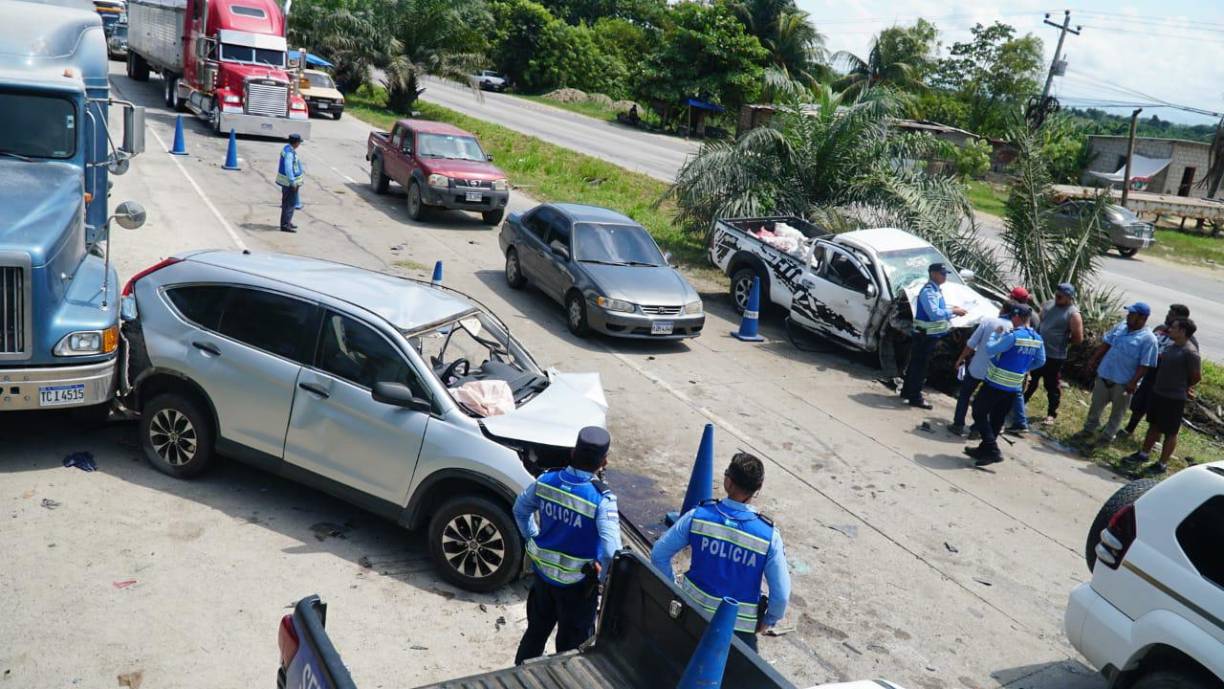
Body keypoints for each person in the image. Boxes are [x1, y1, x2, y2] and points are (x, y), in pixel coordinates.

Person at [650, 452, 790, 652]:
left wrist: (674, 590)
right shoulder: (769, 536)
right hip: (738, 632)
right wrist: (769, 620)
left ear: (727, 481)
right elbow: (782, 595)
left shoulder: (698, 516)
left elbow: (659, 554)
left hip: (692, 615)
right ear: (758, 488)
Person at [513, 427, 622, 665]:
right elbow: (612, 551)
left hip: (543, 579)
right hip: (578, 589)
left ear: (573, 453)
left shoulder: (546, 481)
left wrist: (532, 539)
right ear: (603, 462)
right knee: (571, 652)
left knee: (534, 635)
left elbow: (520, 509)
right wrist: (603, 579)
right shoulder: (602, 500)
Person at [964, 304, 1044, 467]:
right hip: (1014, 386)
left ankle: (992, 450)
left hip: (996, 382)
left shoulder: (1013, 336)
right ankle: (984, 450)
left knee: (978, 411)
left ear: (1016, 317)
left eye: (1012, 318)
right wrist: (1023, 369)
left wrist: (995, 334)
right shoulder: (1037, 339)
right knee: (997, 418)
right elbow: (1041, 361)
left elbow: (990, 349)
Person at [1122, 319, 1201, 476]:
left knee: (1170, 432)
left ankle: (1162, 464)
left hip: (1174, 398)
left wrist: (1183, 386)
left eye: (1174, 327)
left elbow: (1196, 377)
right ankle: (1144, 454)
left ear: (1183, 331)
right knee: (1154, 425)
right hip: (1159, 393)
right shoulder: (1172, 346)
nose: (1169, 329)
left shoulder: (1190, 352)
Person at [1072, 303, 1159, 447]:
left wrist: (1133, 382)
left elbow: (1145, 365)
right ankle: (1088, 430)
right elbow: (1107, 344)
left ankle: (1106, 437)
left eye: (1132, 314)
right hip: (1105, 374)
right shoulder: (1121, 326)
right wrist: (1093, 360)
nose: (1128, 316)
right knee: (1095, 406)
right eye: (1129, 313)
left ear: (1142, 318)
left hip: (1123, 383)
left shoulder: (1149, 339)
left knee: (1117, 413)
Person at [949, 301, 1027, 438]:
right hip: (995, 374)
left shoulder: (988, 322)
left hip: (977, 368)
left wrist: (960, 358)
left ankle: (958, 424)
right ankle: (976, 429)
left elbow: (972, 344)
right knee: (986, 404)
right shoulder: (1014, 330)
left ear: (1003, 309)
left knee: (965, 395)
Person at [900, 263, 967, 409]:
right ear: (933, 274)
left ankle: (907, 391)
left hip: (928, 335)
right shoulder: (929, 291)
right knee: (920, 367)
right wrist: (953, 312)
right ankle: (915, 396)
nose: (945, 276)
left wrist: (951, 309)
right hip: (925, 336)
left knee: (916, 365)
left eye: (945, 274)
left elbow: (938, 309)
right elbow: (934, 314)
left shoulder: (936, 290)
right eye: (942, 273)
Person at [1122, 304, 1193, 436]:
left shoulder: (1188, 341)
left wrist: (1186, 385)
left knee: (1157, 411)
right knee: (1139, 404)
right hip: (1149, 374)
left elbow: (1191, 367)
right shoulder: (1160, 329)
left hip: (1166, 379)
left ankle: (1155, 440)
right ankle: (1129, 429)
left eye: (1172, 314)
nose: (1168, 316)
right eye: (1168, 313)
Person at [1024, 283, 1083, 426]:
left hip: (1055, 356)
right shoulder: (1048, 305)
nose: (1057, 298)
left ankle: (1051, 414)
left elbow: (1078, 338)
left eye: (1060, 296)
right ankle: (1020, 404)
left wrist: (1062, 341)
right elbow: (1039, 321)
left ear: (1069, 297)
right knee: (1031, 380)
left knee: (1051, 385)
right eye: (1056, 294)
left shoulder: (1073, 314)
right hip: (1038, 350)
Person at [276, 133, 305, 233]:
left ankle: (287, 221)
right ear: (296, 143)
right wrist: (292, 182)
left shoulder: (288, 149)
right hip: (289, 183)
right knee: (289, 204)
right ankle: (285, 225)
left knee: (289, 203)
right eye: (299, 142)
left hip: (288, 182)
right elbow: (288, 168)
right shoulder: (289, 153)